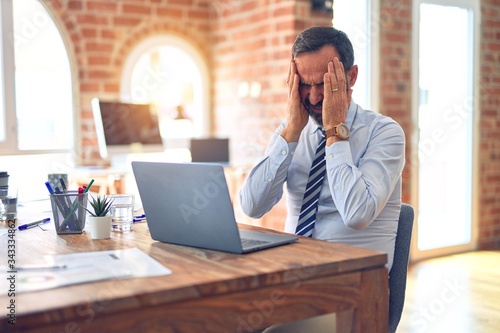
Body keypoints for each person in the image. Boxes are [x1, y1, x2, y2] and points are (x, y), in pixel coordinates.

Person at [239, 25, 405, 272]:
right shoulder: (293, 130)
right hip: (294, 271)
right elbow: (252, 206)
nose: (314, 97)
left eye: (324, 84)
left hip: (356, 281)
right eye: (305, 84)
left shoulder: (384, 133)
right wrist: (292, 131)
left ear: (351, 77)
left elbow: (357, 214)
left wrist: (335, 129)